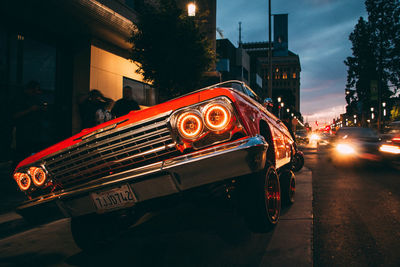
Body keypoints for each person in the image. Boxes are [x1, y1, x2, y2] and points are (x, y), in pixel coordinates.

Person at [12, 81, 49, 160]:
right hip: (23, 131)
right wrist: (30, 110)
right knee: (22, 153)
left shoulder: (36, 99)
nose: (36, 92)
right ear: (30, 89)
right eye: (35, 90)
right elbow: (14, 115)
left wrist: (42, 109)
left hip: (35, 132)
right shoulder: (19, 99)